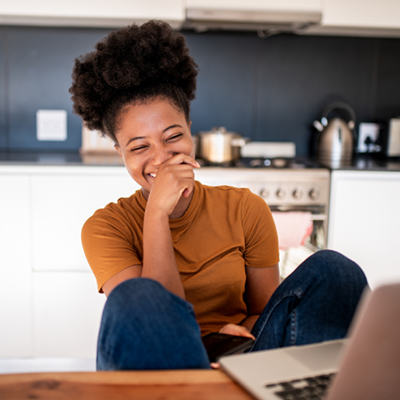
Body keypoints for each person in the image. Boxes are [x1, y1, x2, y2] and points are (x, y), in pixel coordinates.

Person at [69, 20, 368, 370]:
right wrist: (157, 215)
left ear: (191, 131)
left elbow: (265, 312)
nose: (161, 156)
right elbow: (153, 317)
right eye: (139, 146)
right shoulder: (105, 228)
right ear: (120, 153)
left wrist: (238, 332)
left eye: (172, 136)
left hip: (241, 358)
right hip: (155, 365)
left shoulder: (245, 209)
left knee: (337, 271)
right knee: (137, 296)